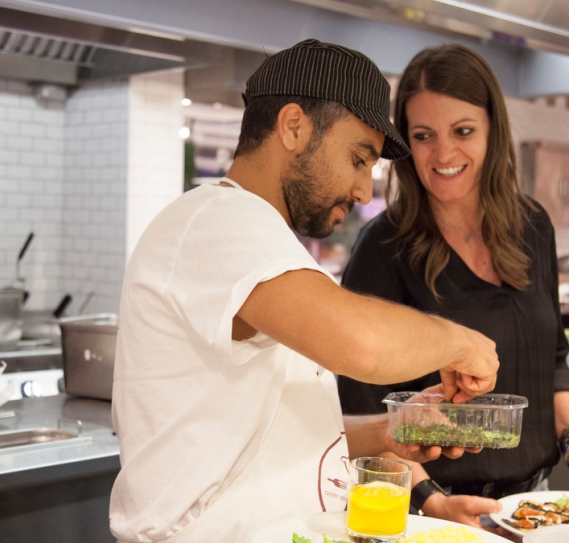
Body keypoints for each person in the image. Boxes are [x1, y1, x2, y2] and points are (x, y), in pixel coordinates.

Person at [108, 39, 500, 543]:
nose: (363, 191)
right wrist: (463, 343)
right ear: (294, 126)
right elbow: (362, 344)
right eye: (359, 158)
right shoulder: (218, 220)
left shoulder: (261, 240)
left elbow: (272, 435)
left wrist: (388, 432)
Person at [337, 43, 569, 530]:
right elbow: (365, 416)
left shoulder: (532, 225)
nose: (444, 153)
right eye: (424, 135)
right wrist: (433, 502)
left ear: (494, 130)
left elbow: (552, 362)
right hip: (433, 516)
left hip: (536, 509)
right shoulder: (383, 247)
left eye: (463, 131)